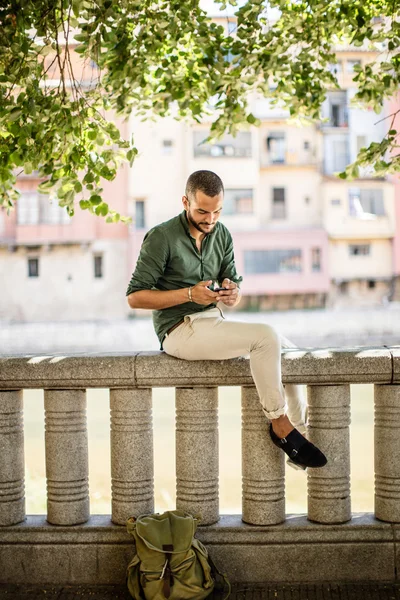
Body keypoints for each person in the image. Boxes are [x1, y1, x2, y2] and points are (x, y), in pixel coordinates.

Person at [126, 170, 327, 470]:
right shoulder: (161, 237)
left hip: (212, 324)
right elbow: (135, 297)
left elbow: (231, 282)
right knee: (266, 336)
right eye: (202, 211)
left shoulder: (222, 234)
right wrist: (190, 295)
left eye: (217, 211)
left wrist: (233, 293)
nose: (210, 220)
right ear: (185, 202)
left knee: (289, 352)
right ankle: (280, 424)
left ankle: (298, 438)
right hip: (179, 331)